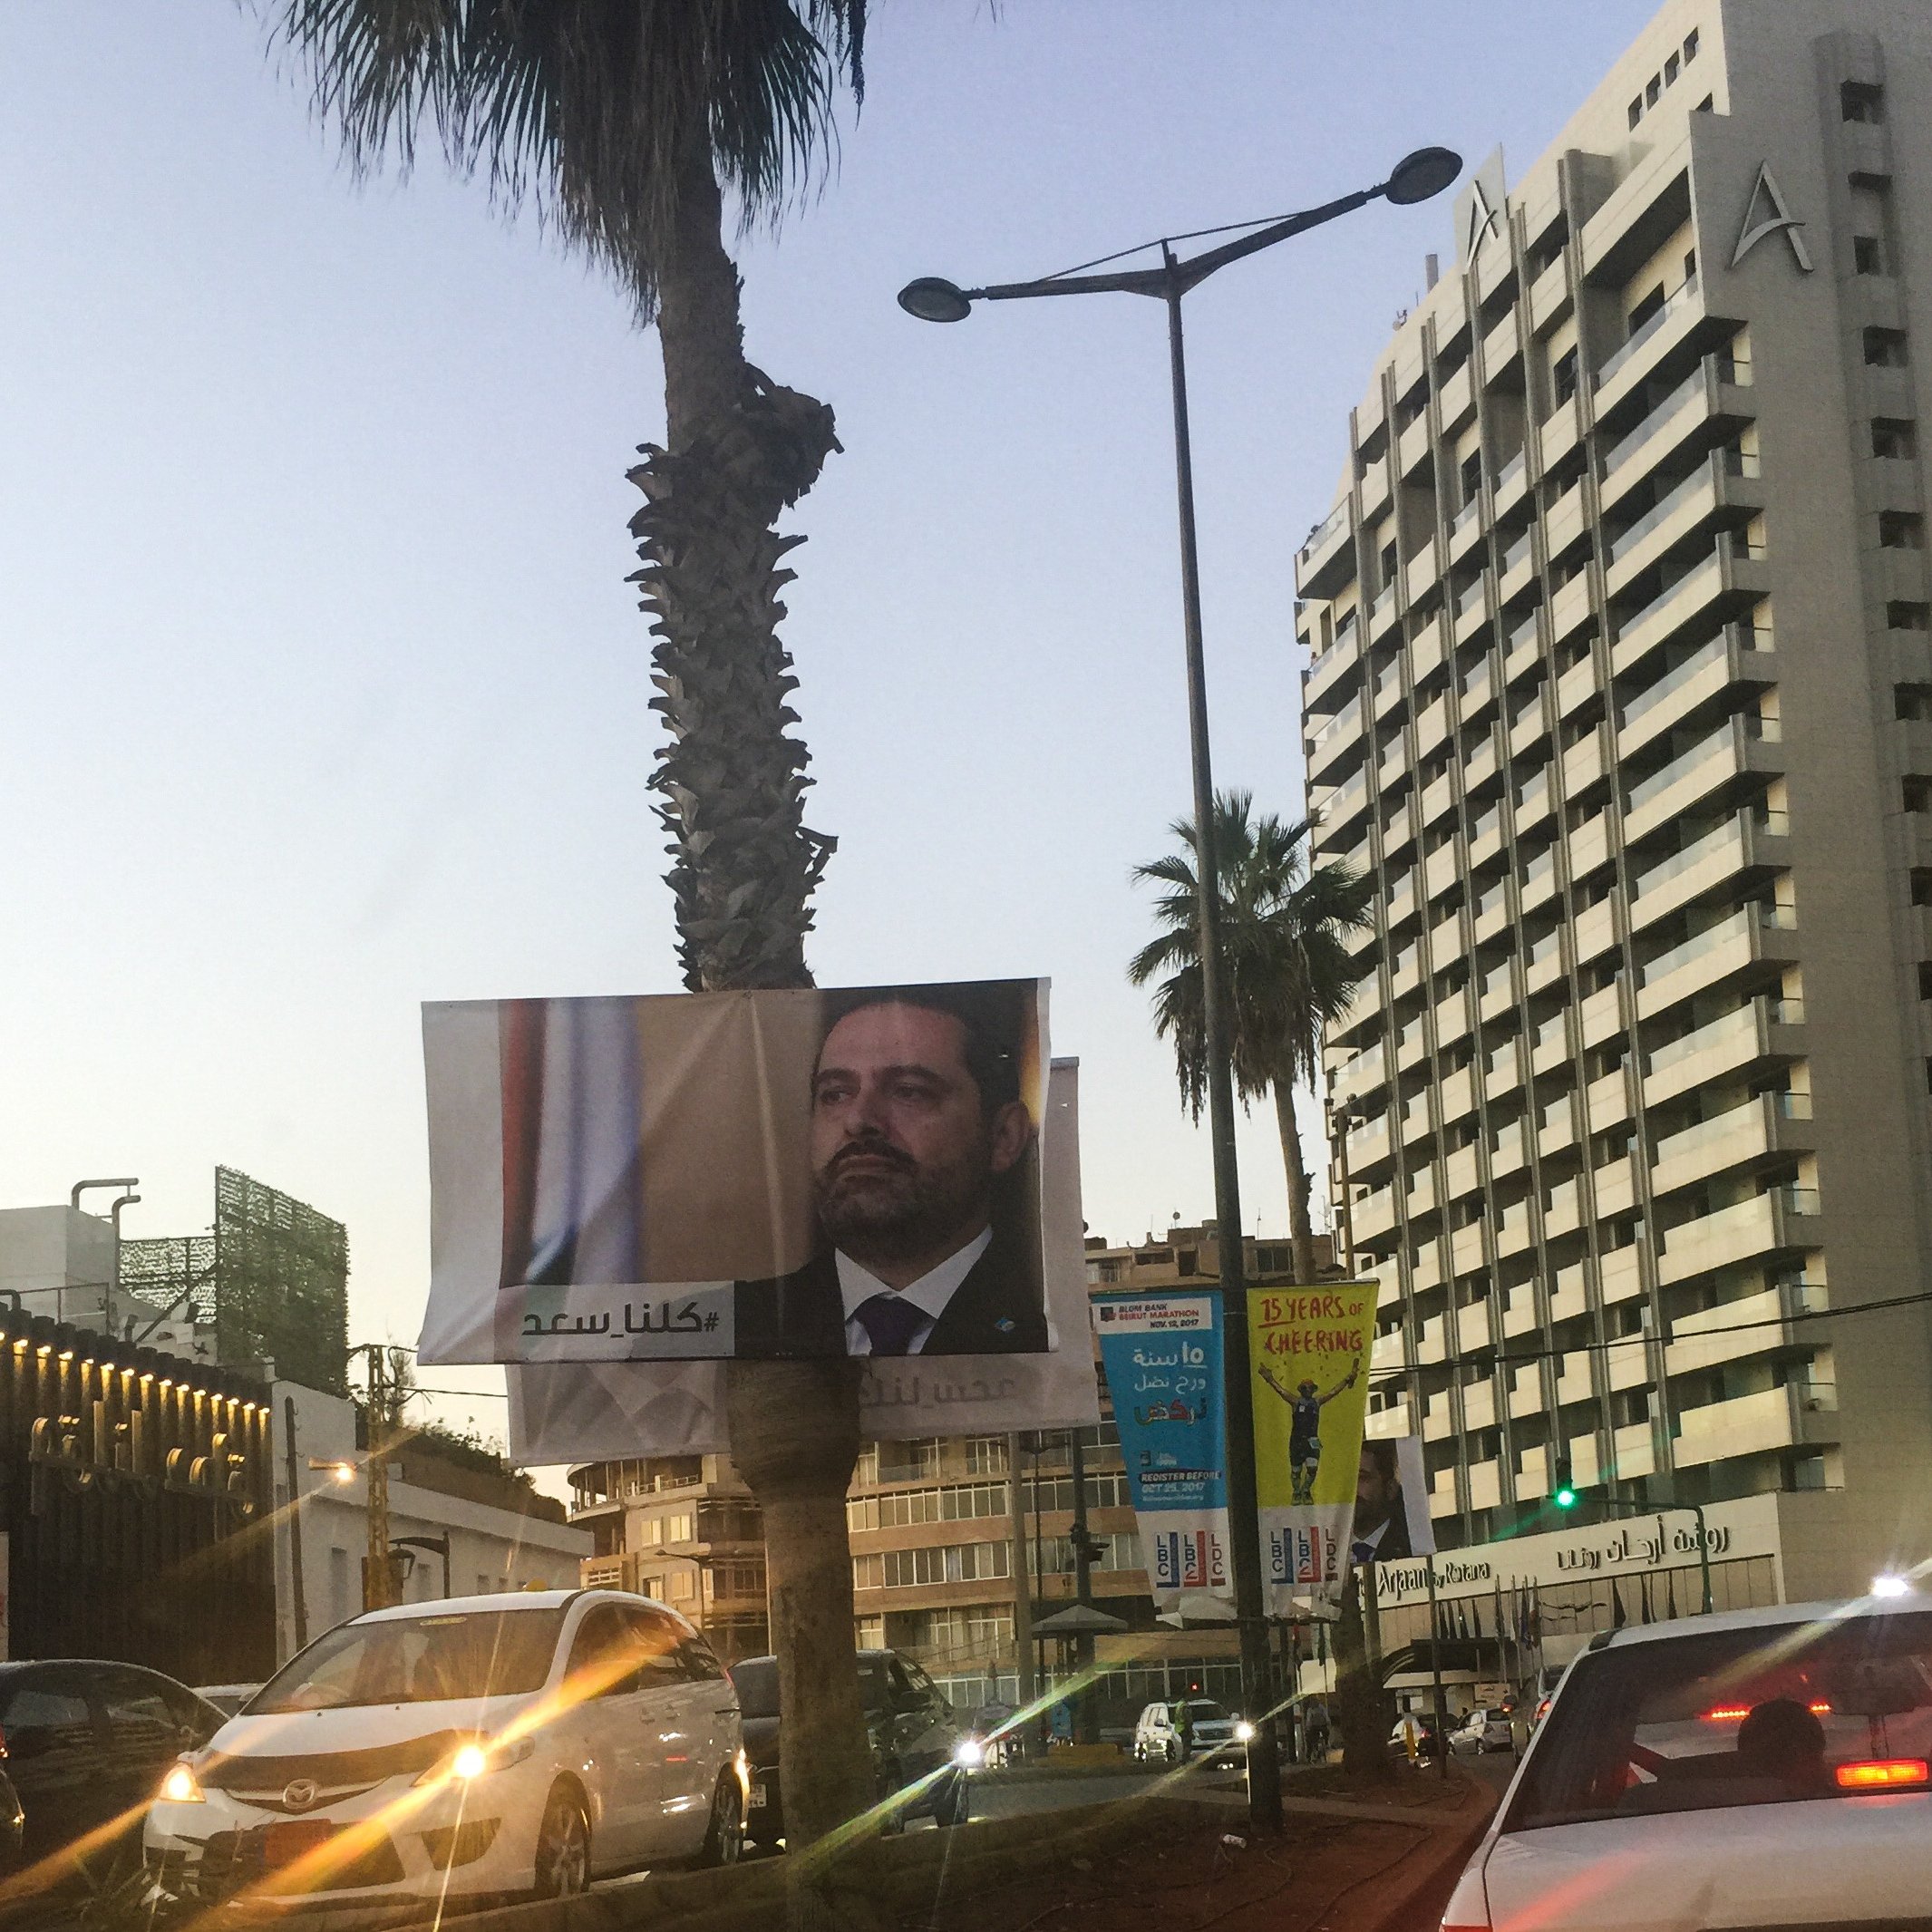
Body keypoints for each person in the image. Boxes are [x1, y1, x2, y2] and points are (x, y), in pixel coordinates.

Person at [735, 985, 1051, 1357]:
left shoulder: (1053, 1322)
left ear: (1004, 1137)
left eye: (909, 1091)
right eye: (835, 1094)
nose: (858, 1120)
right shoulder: (732, 1327)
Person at [1258, 1356, 1363, 1502]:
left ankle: (1306, 1490)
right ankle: (1296, 1492)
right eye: (1305, 1388)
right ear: (1301, 1390)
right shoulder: (1295, 1402)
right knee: (1296, 1471)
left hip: (1312, 1440)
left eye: (1310, 1388)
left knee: (1312, 1469)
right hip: (1296, 1441)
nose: (1308, 1390)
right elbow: (1281, 1391)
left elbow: (1333, 1392)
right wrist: (1270, 1379)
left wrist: (1347, 1380)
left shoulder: (1317, 1402)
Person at [1350, 1439, 1414, 1565]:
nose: (1350, 1489)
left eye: (1362, 1478)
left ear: (1390, 1488)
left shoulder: (1412, 1546)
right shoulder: (1322, 1554)